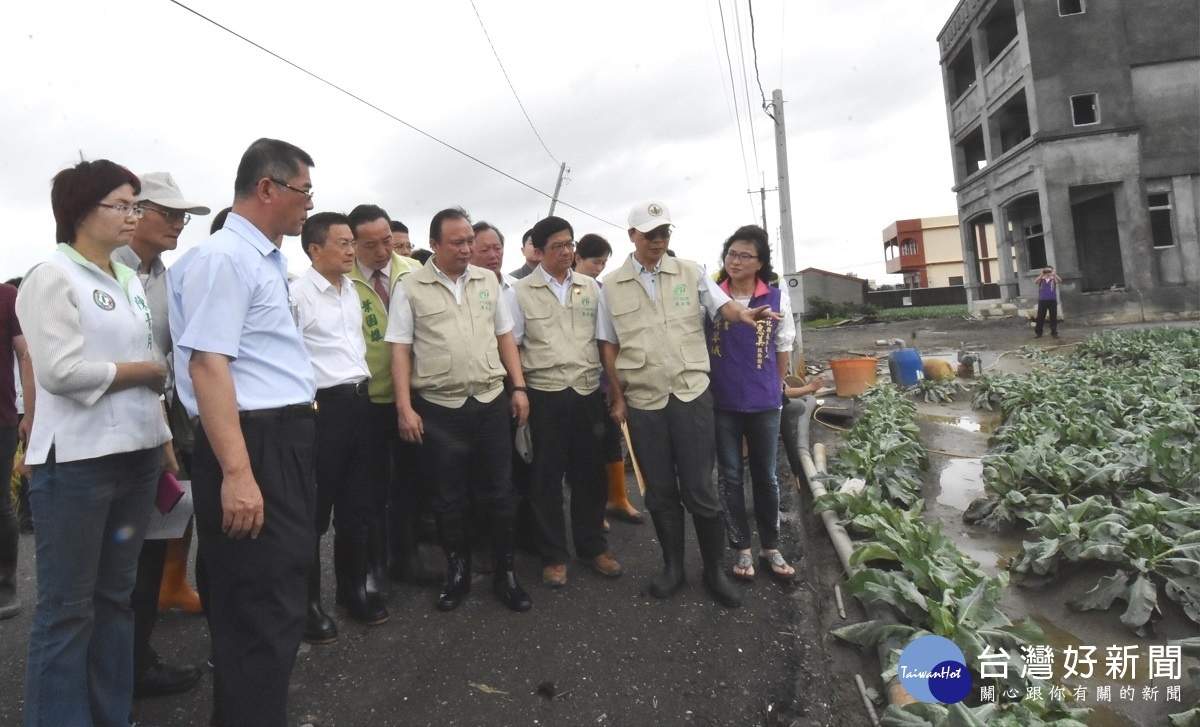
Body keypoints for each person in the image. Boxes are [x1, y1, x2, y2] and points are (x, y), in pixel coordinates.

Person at [167, 138, 318, 727]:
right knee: (261, 604)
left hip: (279, 436)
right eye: (303, 191)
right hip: (252, 441)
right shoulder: (225, 258)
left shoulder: (261, 259)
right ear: (268, 188)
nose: (309, 204)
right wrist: (237, 473)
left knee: (270, 595)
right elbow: (208, 365)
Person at [18, 159, 172, 726]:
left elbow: (152, 359)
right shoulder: (51, 277)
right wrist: (142, 372)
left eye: (136, 204)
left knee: (116, 599)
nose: (134, 216)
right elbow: (60, 372)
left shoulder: (127, 279)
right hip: (77, 466)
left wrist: (160, 432)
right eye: (123, 205)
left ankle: (110, 713)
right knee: (65, 610)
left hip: (136, 455)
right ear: (81, 211)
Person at [597, 201, 780, 609]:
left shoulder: (690, 271)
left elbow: (723, 305)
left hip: (691, 392)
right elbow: (608, 344)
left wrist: (744, 314)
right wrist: (618, 394)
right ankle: (673, 567)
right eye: (650, 234)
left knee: (700, 487)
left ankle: (713, 569)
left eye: (664, 232)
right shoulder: (611, 285)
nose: (659, 240)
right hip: (644, 398)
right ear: (632, 236)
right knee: (660, 490)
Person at [386, 207, 532, 613]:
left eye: (470, 240)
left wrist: (517, 387)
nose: (468, 248)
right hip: (438, 408)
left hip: (488, 402)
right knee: (447, 497)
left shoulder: (488, 281)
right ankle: (458, 571)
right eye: (458, 242)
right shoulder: (411, 287)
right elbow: (399, 350)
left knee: (500, 492)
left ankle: (506, 574)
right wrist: (404, 407)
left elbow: (505, 337)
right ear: (434, 245)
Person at [112, 171, 209, 698]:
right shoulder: (103, 272)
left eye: (183, 216)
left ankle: (134, 659)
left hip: (160, 424)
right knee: (115, 560)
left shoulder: (164, 277)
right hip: (113, 432)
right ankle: (112, 669)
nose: (178, 223)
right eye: (168, 213)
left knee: (151, 544)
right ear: (134, 212)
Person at [512, 216, 620, 588]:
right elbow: (513, 345)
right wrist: (519, 389)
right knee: (545, 478)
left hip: (588, 391)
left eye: (570, 244)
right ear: (538, 252)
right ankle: (554, 555)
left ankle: (593, 547)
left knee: (590, 475)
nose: (566, 252)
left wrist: (616, 391)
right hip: (545, 394)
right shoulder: (519, 292)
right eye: (557, 246)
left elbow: (605, 341)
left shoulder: (591, 287)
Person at [294, 212, 386, 643]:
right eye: (343, 243)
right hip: (321, 409)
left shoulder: (353, 291)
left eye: (353, 242)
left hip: (359, 402)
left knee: (359, 507)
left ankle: (352, 591)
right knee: (314, 512)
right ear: (315, 249)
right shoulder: (296, 295)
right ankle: (308, 606)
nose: (351, 250)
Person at [346, 204, 434, 596]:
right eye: (371, 245)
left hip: (413, 394)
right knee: (370, 488)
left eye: (387, 241)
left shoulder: (414, 271)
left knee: (411, 482)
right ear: (352, 243)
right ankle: (374, 566)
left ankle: (407, 557)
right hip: (366, 401)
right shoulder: (341, 279)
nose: (383, 251)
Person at [707, 225, 798, 583]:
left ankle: (770, 546)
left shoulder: (775, 298)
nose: (736, 261)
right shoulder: (712, 298)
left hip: (763, 402)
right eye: (731, 253)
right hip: (722, 400)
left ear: (760, 262)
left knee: (766, 475)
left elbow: (783, 347)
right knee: (729, 476)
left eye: (745, 255)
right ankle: (741, 548)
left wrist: (776, 390)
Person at [574, 233, 643, 526]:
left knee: (612, 439)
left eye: (603, 262)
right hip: (580, 380)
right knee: (587, 448)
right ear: (577, 258)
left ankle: (618, 498)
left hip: (607, 378)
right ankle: (595, 506)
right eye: (594, 261)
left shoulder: (604, 289)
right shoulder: (571, 290)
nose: (599, 268)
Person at [0, 279, 28, 621]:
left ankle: (5, 583)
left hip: (2, 417)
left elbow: (25, 353)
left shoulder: (7, 295)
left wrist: (31, 413)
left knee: (1, 504)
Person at [1034, 266, 1061, 339]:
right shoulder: (1041, 279)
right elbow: (1036, 281)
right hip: (1043, 300)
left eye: (1049, 271)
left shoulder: (1053, 279)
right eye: (1047, 271)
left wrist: (1054, 274)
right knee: (1040, 317)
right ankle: (1038, 333)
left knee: (1053, 317)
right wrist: (1042, 274)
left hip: (1052, 300)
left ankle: (1054, 332)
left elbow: (1060, 280)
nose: (1048, 273)